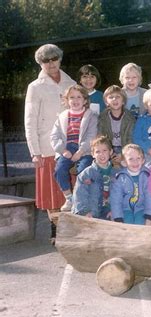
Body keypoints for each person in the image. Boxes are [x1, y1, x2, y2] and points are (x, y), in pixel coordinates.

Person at [24, 43, 76, 242]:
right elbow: (29, 121)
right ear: (40, 63)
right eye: (46, 60)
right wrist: (34, 151)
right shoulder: (35, 87)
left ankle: (71, 231)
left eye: (54, 58)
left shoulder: (69, 82)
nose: (51, 63)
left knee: (70, 191)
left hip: (70, 146)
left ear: (60, 59)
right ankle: (55, 231)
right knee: (52, 194)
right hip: (46, 148)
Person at [50, 85, 97, 212]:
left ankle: (80, 197)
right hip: (67, 148)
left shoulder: (91, 116)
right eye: (72, 97)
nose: (75, 100)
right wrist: (63, 150)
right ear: (66, 100)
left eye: (79, 97)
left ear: (85, 100)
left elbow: (91, 136)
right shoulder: (62, 116)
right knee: (59, 170)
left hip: (85, 149)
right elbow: (54, 136)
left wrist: (81, 151)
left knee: (83, 170)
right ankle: (69, 198)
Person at [110, 144, 151, 225]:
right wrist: (118, 218)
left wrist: (149, 217)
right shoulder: (120, 178)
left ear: (143, 160)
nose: (135, 162)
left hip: (141, 208)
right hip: (125, 209)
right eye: (131, 159)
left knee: (140, 224)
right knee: (127, 224)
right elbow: (116, 200)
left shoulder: (147, 176)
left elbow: (150, 197)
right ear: (124, 163)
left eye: (138, 158)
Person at [72, 136, 115, 219]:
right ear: (93, 154)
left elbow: (120, 195)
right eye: (97, 151)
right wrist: (85, 212)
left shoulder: (117, 174)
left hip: (109, 211)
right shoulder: (86, 174)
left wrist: (115, 210)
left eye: (104, 150)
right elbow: (80, 195)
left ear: (111, 152)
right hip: (92, 212)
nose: (101, 154)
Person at [98, 85, 136, 168]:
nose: (114, 99)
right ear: (106, 102)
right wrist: (108, 152)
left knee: (126, 164)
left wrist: (123, 154)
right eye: (111, 97)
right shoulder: (102, 117)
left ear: (123, 101)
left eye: (118, 97)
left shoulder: (130, 118)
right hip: (108, 148)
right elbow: (100, 137)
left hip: (124, 147)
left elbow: (130, 139)